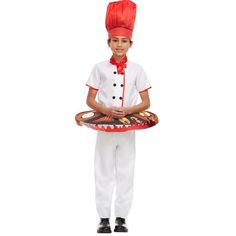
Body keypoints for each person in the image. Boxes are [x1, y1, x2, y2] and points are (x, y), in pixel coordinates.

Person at [85, 0, 151, 233]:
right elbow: (90, 100)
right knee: (102, 168)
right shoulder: (98, 68)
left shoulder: (138, 70)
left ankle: (121, 217)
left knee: (126, 169)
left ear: (130, 44)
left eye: (124, 41)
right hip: (104, 128)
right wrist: (105, 110)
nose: (119, 45)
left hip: (128, 128)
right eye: (115, 40)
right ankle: (103, 218)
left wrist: (128, 111)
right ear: (108, 42)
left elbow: (146, 102)